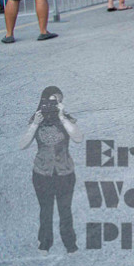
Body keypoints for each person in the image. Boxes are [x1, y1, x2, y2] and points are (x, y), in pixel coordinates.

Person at [19, 86, 82, 253]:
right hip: (42, 173)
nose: (55, 105)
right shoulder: (36, 119)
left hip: (65, 172)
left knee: (65, 211)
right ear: (43, 101)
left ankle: (70, 244)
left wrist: (62, 117)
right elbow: (22, 144)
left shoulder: (66, 119)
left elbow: (78, 137)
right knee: (45, 211)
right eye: (51, 101)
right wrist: (34, 124)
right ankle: (45, 243)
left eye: (59, 101)